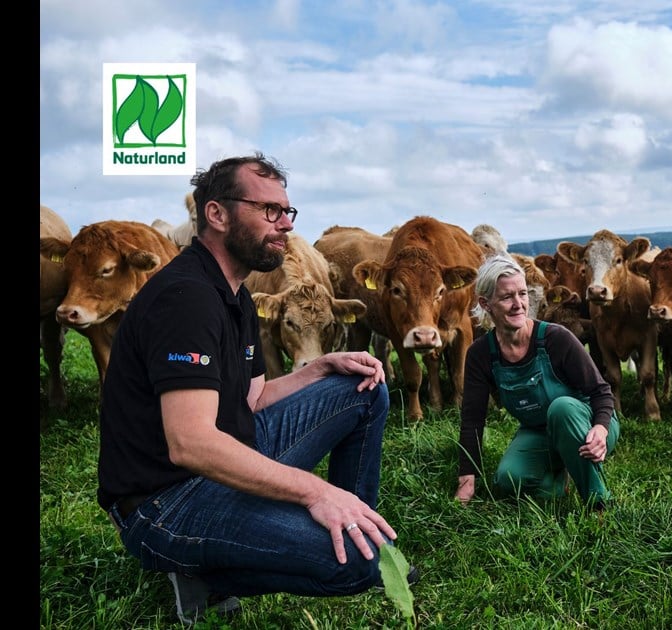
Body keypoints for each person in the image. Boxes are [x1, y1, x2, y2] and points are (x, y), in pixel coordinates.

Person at [96, 153, 413, 626]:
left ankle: (354, 521)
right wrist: (314, 492)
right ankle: (206, 574)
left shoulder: (236, 293)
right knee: (362, 564)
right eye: (268, 210)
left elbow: (252, 400)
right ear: (217, 214)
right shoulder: (186, 298)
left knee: (361, 388)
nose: (284, 224)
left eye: (287, 212)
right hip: (165, 503)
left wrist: (318, 369)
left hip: (221, 463)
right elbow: (191, 443)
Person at [455, 254, 620, 510]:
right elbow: (472, 418)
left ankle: (597, 503)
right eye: (507, 297)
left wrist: (601, 428)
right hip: (539, 431)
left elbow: (601, 391)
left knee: (562, 407)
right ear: (486, 304)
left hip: (588, 423)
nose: (518, 304)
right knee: (508, 480)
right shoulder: (480, 354)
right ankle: (561, 475)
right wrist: (467, 478)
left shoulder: (556, 338)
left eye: (522, 294)